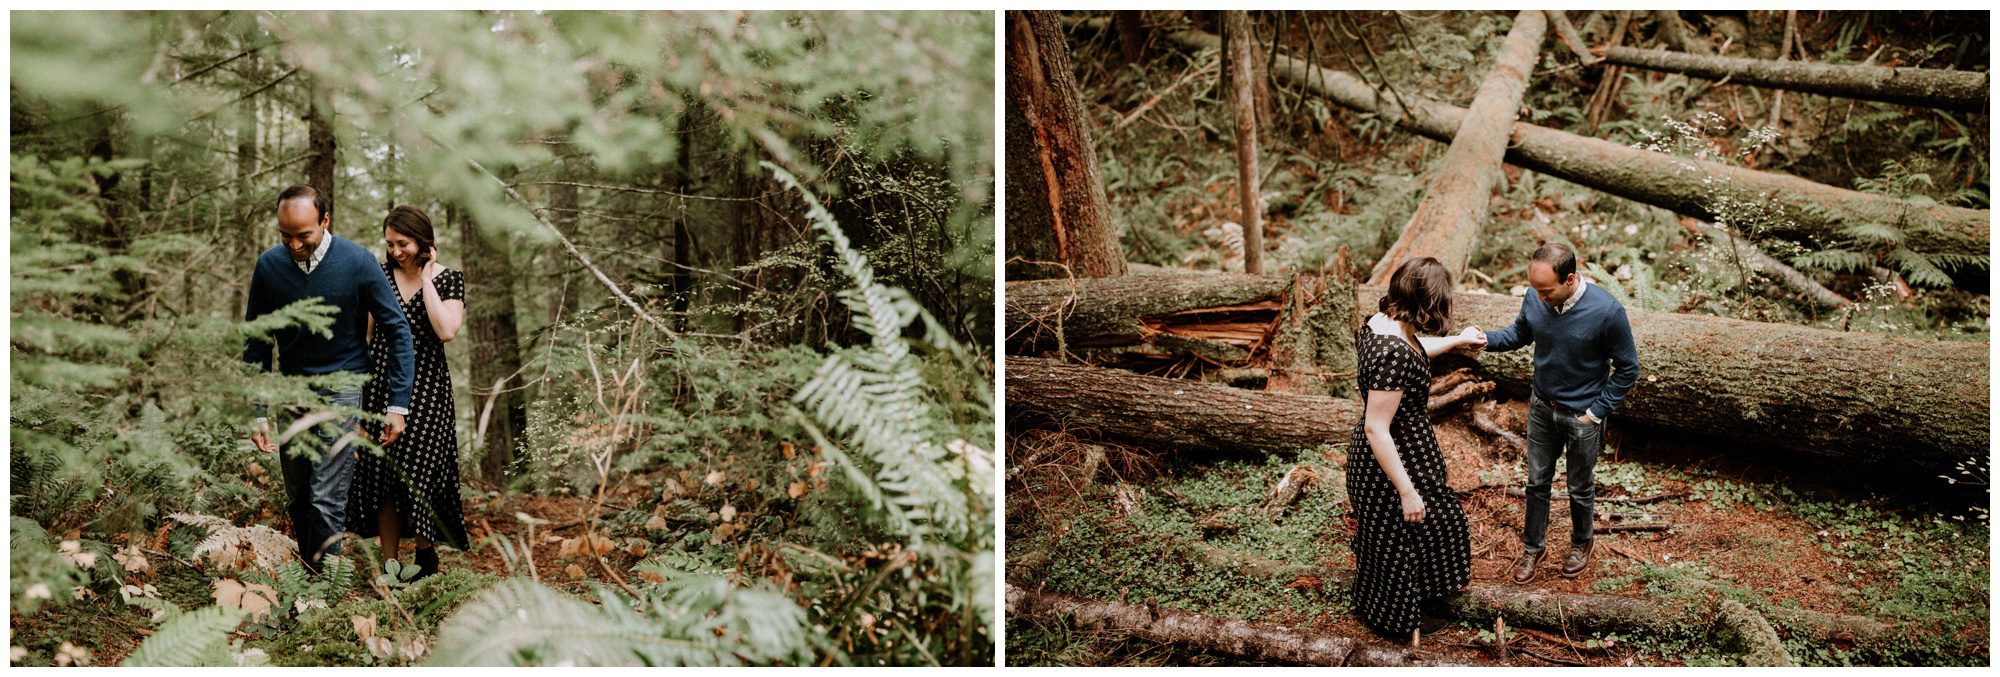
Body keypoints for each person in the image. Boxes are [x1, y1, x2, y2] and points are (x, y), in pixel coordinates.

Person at [245, 185, 414, 573]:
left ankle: (324, 588)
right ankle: (311, 575)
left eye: (303, 235)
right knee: (299, 495)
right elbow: (257, 340)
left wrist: (397, 404)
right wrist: (256, 411)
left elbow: (396, 328)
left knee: (326, 494)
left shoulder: (357, 261)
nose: (293, 245)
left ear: (324, 220)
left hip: (342, 388)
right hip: (292, 391)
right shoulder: (269, 266)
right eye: (285, 236)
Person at [1478, 242, 1640, 583]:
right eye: (1534, 289)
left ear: (1570, 279)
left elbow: (1627, 368)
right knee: (1537, 483)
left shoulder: (1607, 311)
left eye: (1546, 291)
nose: (1539, 298)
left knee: (1580, 487)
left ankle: (1582, 542)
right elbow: (1519, 334)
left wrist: (1595, 412)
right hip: (1541, 408)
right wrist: (1485, 340)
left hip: (1582, 415)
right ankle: (1533, 548)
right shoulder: (1535, 296)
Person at [1349, 256, 1485, 644]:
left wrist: (1457, 340)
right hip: (1390, 459)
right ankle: (1401, 620)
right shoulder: (1393, 353)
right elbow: (1377, 428)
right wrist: (1406, 490)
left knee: (1437, 523)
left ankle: (1420, 599)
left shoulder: (1383, 325)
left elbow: (1414, 346)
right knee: (1398, 537)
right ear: (1428, 301)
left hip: (1402, 449)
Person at [350, 205, 469, 580]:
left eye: (403, 243)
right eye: (390, 244)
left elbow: (446, 330)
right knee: (383, 473)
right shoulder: (380, 277)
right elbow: (365, 336)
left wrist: (428, 277)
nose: (396, 251)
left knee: (421, 474)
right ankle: (389, 563)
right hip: (382, 384)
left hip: (429, 389)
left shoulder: (449, 279)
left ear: (423, 242)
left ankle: (424, 557)